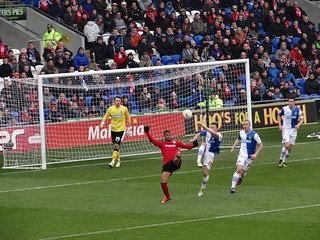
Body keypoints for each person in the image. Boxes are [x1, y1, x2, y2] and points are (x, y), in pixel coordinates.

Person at [144, 125, 198, 203]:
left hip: (176, 162)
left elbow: (187, 147)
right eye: (167, 135)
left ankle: (177, 158)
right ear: (164, 136)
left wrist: (194, 145)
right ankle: (168, 197)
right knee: (163, 182)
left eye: (170, 135)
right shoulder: (162, 144)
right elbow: (152, 140)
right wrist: (147, 132)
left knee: (177, 155)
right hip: (167, 165)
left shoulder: (176, 142)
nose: (169, 136)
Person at [230, 120, 263, 193]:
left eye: (246, 124)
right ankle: (232, 187)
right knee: (238, 169)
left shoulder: (254, 134)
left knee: (242, 172)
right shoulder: (241, 132)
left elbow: (261, 145)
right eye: (243, 124)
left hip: (250, 157)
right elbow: (238, 138)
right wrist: (234, 145)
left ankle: (241, 177)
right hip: (242, 155)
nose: (244, 126)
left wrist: (255, 154)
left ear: (250, 125)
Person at [190, 122, 222, 196]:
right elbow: (199, 134)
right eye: (210, 127)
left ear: (217, 128)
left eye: (213, 127)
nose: (211, 128)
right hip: (204, 150)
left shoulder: (219, 135)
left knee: (205, 174)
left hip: (210, 154)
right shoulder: (207, 132)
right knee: (203, 144)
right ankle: (198, 161)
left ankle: (202, 188)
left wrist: (204, 126)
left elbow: (212, 132)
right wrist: (194, 139)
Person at [99, 96, 131, 168]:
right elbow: (105, 116)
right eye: (117, 100)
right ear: (114, 101)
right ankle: (118, 160)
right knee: (116, 146)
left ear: (121, 101)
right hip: (113, 129)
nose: (118, 102)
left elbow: (128, 118)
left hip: (121, 129)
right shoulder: (110, 109)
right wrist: (102, 123)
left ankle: (112, 161)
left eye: (119, 101)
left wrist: (129, 128)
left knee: (116, 145)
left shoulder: (124, 109)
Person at [277, 98, 303, 167]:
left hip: (294, 130)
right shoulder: (284, 109)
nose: (290, 103)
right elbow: (279, 115)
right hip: (286, 129)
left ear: (294, 102)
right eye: (289, 101)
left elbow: (302, 119)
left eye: (292, 101)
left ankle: (284, 161)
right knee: (286, 145)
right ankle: (280, 158)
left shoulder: (298, 110)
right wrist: (280, 125)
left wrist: (298, 125)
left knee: (290, 147)